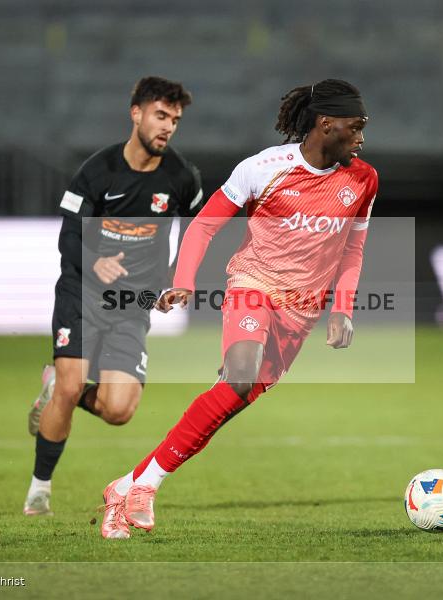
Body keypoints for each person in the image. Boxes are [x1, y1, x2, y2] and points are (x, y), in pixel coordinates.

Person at [97, 79, 377, 539]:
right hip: (253, 286)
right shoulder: (264, 168)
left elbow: (353, 251)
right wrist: (183, 283)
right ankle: (144, 488)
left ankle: (128, 485)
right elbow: (205, 226)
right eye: (357, 126)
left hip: (300, 313)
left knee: (225, 402)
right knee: (240, 377)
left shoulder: (363, 180)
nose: (362, 137)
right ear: (327, 124)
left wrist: (342, 308)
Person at [23, 76, 204, 516]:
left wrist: (177, 279)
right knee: (70, 385)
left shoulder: (180, 177)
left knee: (118, 410)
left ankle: (59, 388)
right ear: (136, 113)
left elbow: (202, 230)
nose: (168, 127)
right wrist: (95, 259)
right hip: (83, 292)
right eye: (161, 116)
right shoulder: (97, 172)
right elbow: (67, 238)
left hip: (134, 303)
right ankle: (39, 489)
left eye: (175, 120)